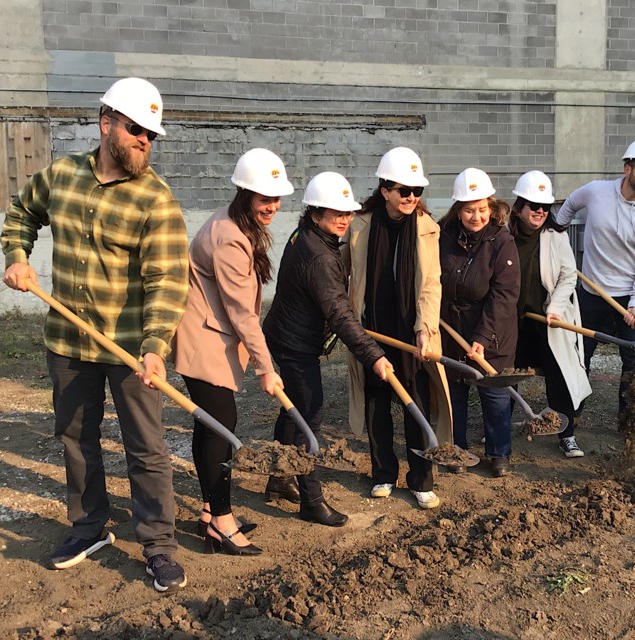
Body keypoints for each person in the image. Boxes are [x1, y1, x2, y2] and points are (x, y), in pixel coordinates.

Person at [0, 77, 191, 592]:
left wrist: (154, 349)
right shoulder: (61, 177)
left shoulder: (156, 200)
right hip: (67, 342)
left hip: (129, 351)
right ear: (106, 123)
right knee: (77, 439)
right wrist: (17, 256)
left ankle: (158, 544)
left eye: (151, 134)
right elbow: (21, 213)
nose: (144, 141)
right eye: (136, 130)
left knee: (146, 447)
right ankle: (88, 529)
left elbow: (168, 282)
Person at [170, 148, 293, 556]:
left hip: (211, 333)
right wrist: (266, 367)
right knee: (222, 425)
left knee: (212, 425)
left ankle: (210, 513)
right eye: (264, 198)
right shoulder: (229, 239)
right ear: (244, 194)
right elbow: (243, 313)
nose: (272, 206)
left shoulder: (237, 224)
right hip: (203, 338)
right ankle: (222, 520)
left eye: (276, 198)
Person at [262, 171, 394, 526]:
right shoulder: (319, 255)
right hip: (294, 342)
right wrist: (373, 355)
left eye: (347, 213)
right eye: (336, 213)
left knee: (294, 410)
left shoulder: (307, 236)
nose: (344, 219)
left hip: (285, 332)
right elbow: (338, 312)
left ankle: (279, 476)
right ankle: (311, 499)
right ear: (316, 212)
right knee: (310, 414)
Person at [344, 146, 453, 510]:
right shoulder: (361, 226)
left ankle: (421, 479)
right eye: (403, 190)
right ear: (385, 190)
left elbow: (431, 284)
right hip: (373, 330)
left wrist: (424, 328)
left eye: (416, 191)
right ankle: (383, 474)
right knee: (377, 405)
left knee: (416, 405)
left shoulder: (426, 229)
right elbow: (346, 273)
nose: (411, 197)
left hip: (411, 334)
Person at [553, 137, 635, 419]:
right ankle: (572, 415)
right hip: (591, 291)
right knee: (580, 355)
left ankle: (628, 421)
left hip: (627, 296)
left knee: (633, 361)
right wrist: (556, 235)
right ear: (627, 168)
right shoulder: (596, 192)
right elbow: (568, 206)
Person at [438, 168, 521, 478]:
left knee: (494, 390)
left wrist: (483, 337)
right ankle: (456, 449)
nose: (476, 216)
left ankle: (498, 452)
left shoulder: (502, 242)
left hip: (494, 330)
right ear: (458, 210)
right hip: (452, 327)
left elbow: (504, 296)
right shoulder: (443, 235)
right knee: (454, 392)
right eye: (469, 209)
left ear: (491, 206)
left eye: (482, 209)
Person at [508, 170, 592, 458]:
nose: (541, 212)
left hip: (548, 321)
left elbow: (568, 276)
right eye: (534, 206)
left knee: (560, 376)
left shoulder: (556, 236)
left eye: (546, 207)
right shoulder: (504, 236)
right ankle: (498, 428)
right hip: (514, 321)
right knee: (507, 374)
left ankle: (566, 433)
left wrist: (555, 307)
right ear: (519, 207)